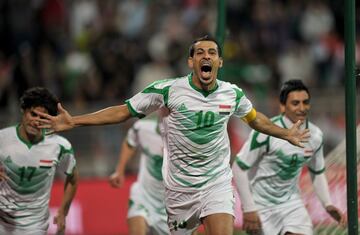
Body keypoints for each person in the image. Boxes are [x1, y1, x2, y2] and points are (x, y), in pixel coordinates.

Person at [35, 35, 310, 235]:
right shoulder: (167, 90)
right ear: (191, 61)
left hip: (216, 182)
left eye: (212, 52)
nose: (206, 56)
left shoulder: (232, 93)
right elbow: (123, 111)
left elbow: (255, 118)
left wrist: (284, 133)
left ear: (220, 61)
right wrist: (76, 122)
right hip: (179, 190)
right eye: (200, 52)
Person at [232, 79, 346, 235]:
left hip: (292, 205)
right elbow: (238, 168)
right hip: (261, 206)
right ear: (282, 106)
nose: (302, 108)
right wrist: (249, 208)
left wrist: (327, 204)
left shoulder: (315, 136)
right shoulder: (265, 132)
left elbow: (317, 172)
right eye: (295, 103)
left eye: (305, 102)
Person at [0, 87, 79, 235]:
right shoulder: (2, 138)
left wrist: (63, 212)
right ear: (23, 111)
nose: (36, 121)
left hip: (34, 225)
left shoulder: (59, 146)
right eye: (33, 114)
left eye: (43, 118)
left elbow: (73, 179)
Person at [108, 117, 169, 235]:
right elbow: (130, 141)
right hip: (143, 195)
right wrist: (119, 170)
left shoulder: (188, 139)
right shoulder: (142, 128)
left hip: (171, 204)